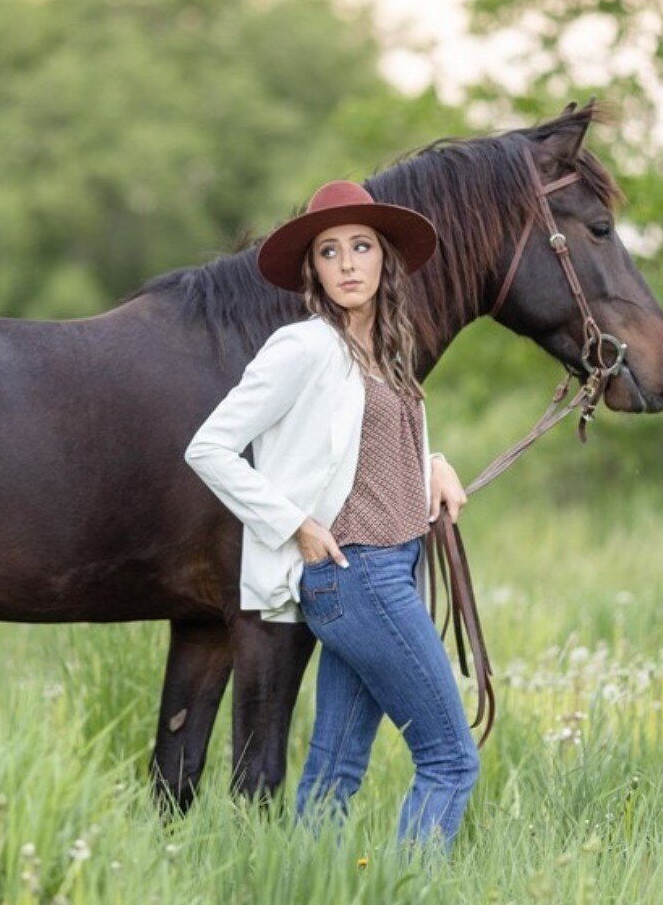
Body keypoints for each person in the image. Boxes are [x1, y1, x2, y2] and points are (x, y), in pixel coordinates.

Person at [183, 179, 479, 854]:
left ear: (384, 260)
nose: (348, 264)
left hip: (388, 570)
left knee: (334, 773)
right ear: (313, 270)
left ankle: (309, 891)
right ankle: (406, 901)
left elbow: (358, 442)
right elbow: (210, 446)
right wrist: (293, 523)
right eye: (329, 251)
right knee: (450, 760)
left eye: (361, 247)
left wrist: (434, 462)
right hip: (356, 576)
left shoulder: (390, 352)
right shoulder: (303, 347)